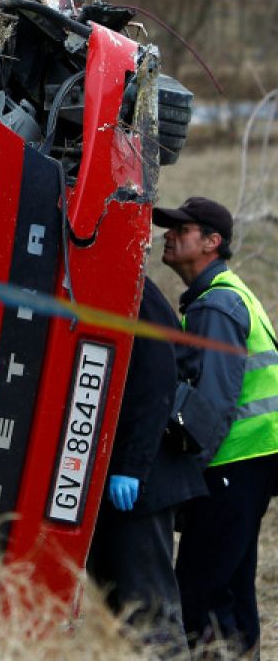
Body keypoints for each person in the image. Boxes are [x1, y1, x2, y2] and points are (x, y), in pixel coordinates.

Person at [153, 196, 278, 657]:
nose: (169, 233)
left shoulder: (217, 305)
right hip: (251, 461)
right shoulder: (228, 294)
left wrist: (187, 471)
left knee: (202, 594)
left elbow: (215, 401)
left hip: (233, 463)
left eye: (183, 229)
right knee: (233, 592)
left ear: (212, 242)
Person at [87, 276, 204, 654]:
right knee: (116, 609)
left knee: (151, 612)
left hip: (142, 482)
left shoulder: (132, 284)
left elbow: (156, 378)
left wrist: (132, 467)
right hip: (110, 481)